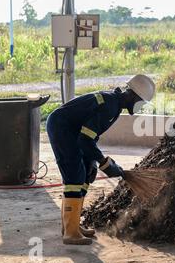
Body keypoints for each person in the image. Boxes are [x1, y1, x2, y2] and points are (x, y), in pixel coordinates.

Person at [46, 75, 156, 245]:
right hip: (62, 129)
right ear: (132, 95)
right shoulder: (110, 106)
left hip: (73, 131)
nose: (141, 107)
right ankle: (70, 233)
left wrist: (93, 161)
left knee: (86, 174)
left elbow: (90, 136)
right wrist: (103, 162)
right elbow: (85, 139)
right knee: (75, 177)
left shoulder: (115, 105)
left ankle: (72, 225)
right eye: (141, 102)